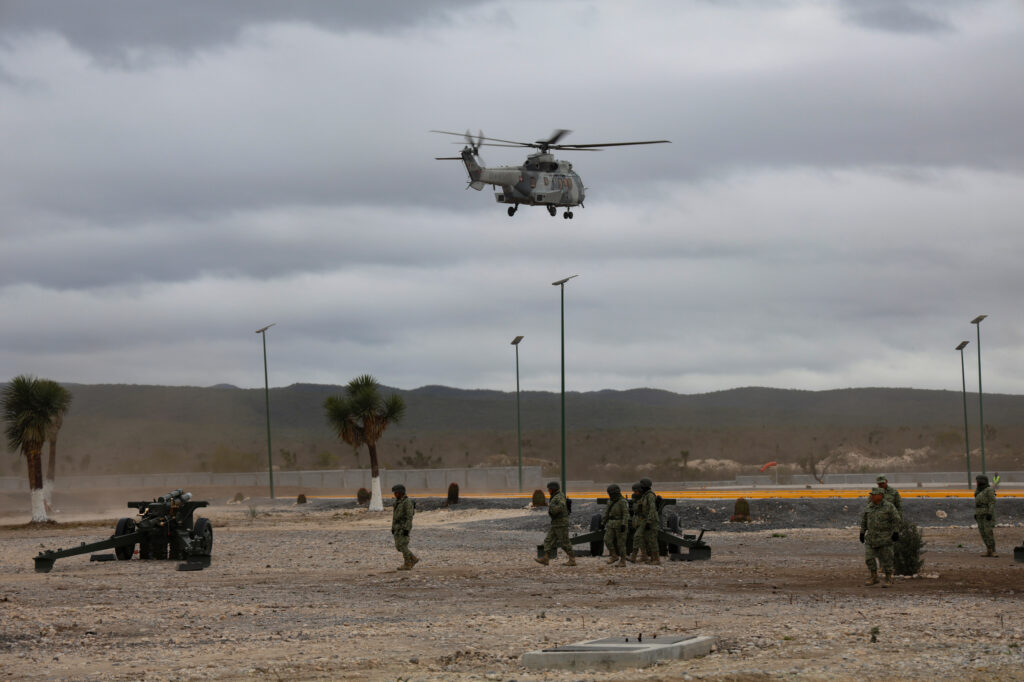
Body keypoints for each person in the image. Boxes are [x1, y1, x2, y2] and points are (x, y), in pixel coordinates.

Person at [860, 487, 900, 587]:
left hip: (885, 538)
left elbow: (896, 519)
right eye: (871, 495)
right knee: (869, 558)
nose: (872, 496)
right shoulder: (869, 507)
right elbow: (864, 521)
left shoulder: (889, 507)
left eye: (874, 495)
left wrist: (896, 532)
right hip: (871, 538)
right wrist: (862, 533)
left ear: (880, 496)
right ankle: (874, 577)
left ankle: (888, 579)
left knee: (887, 560)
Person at [535, 481, 575, 566]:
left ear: (553, 489)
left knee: (565, 542)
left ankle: (572, 560)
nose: (548, 490)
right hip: (555, 523)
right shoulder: (555, 496)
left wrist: (553, 510)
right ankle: (546, 559)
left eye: (549, 489)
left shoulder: (559, 496)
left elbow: (561, 506)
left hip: (561, 524)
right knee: (548, 541)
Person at [634, 478, 661, 566]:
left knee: (652, 540)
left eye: (642, 486)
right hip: (645, 520)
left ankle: (656, 559)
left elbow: (652, 509)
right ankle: (650, 558)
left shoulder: (650, 495)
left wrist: (649, 521)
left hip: (651, 520)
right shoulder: (645, 495)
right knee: (646, 539)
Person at [391, 484, 419, 570]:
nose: (395, 494)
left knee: (403, 545)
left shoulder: (407, 502)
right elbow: (394, 516)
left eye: (396, 493)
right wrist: (393, 527)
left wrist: (407, 529)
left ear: (401, 493)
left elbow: (409, 517)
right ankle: (413, 558)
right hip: (397, 527)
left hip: (403, 527)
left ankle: (408, 563)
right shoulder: (397, 502)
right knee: (398, 547)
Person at [601, 484, 630, 566]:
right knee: (607, 539)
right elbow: (607, 513)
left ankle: (623, 561)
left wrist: (624, 524)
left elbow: (625, 514)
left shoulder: (622, 501)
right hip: (611, 523)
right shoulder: (610, 501)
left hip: (620, 524)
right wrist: (603, 523)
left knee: (621, 543)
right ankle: (614, 556)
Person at [974, 474, 998, 557]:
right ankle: (988, 550)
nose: (976, 482)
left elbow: (992, 502)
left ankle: (993, 550)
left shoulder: (989, 490)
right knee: (982, 532)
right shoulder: (978, 491)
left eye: (977, 481)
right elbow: (977, 504)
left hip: (987, 513)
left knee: (988, 532)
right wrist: (975, 514)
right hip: (979, 513)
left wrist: (990, 513)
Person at [626, 483, 647, 563]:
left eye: (636, 491)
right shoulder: (635, 497)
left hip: (643, 519)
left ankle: (633, 557)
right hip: (637, 520)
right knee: (640, 539)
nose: (635, 492)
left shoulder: (645, 498)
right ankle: (644, 556)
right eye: (634, 491)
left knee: (636, 537)